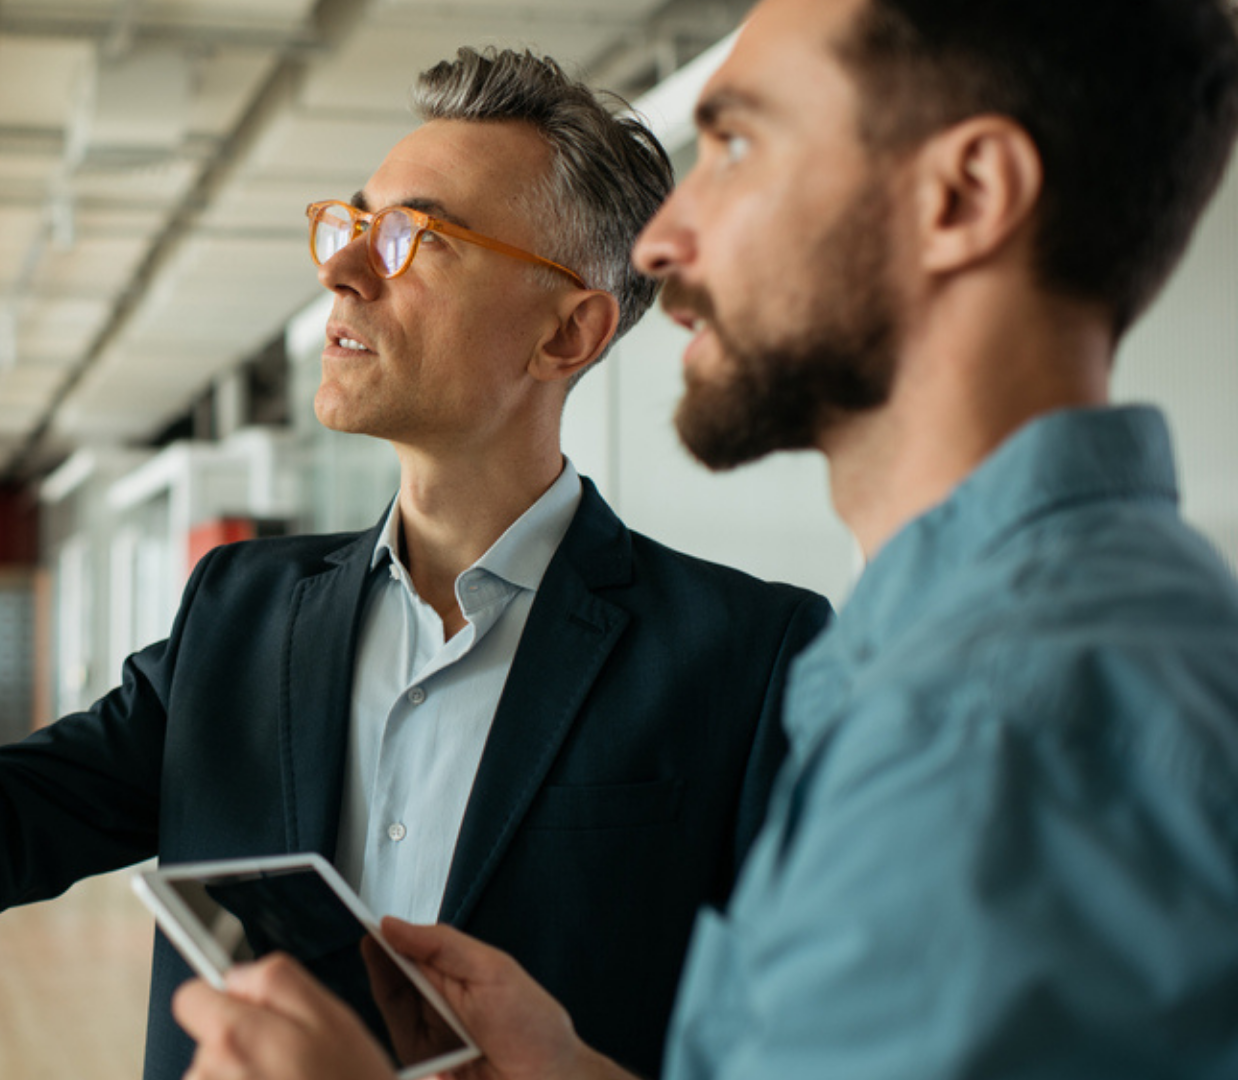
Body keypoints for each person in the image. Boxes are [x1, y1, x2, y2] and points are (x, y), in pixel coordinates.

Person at [172, 0, 1238, 1077]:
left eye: (734, 145)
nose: (666, 243)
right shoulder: (948, 666)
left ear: (962, 197)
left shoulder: (1007, 727)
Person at [0, 47, 832, 1080]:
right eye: (354, 224)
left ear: (568, 333)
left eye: (413, 237)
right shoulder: (241, 615)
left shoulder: (751, 660)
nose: (341, 266)